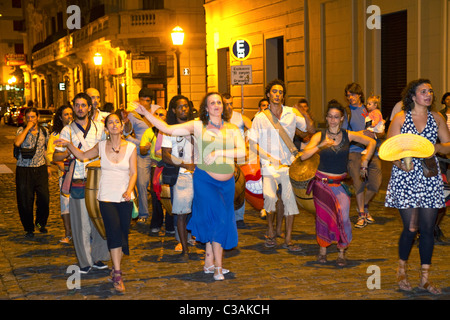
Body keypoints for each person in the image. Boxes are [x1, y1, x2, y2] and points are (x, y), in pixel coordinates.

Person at [135, 92, 246, 281]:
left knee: (217, 220)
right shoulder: (197, 126)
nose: (217, 105)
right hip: (206, 181)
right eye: (212, 103)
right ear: (206, 108)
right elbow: (167, 128)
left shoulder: (232, 128)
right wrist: (146, 113)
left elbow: (242, 152)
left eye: (219, 102)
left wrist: (219, 151)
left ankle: (208, 263)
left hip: (227, 184)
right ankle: (218, 268)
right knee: (219, 220)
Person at [55, 112, 137, 292]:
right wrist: (68, 144)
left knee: (123, 236)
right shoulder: (101, 146)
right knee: (114, 233)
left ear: (122, 126)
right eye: (110, 123)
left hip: (124, 198)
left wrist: (129, 190)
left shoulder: (130, 147)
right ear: (106, 128)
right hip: (106, 197)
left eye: (117, 122)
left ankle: (115, 269)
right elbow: (83, 156)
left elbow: (134, 172)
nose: (114, 125)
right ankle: (117, 273)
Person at [386, 79, 450, 295]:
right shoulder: (401, 118)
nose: (428, 94)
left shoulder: (437, 118)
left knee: (427, 229)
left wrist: (435, 147)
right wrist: (399, 163)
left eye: (430, 91)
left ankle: (424, 278)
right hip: (405, 178)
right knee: (411, 227)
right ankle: (401, 270)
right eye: (423, 91)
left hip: (429, 177)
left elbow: (448, 145)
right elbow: (389, 148)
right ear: (413, 96)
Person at [302, 100, 376, 266]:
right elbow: (303, 156)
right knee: (323, 218)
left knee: (343, 218)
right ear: (326, 118)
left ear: (342, 118)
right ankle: (322, 250)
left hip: (339, 184)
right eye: (330, 116)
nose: (333, 120)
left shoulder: (348, 135)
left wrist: (365, 160)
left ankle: (341, 251)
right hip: (321, 184)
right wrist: (320, 145)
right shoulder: (319, 136)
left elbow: (371, 142)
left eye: (336, 117)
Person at [248, 79, 314, 251]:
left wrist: (304, 113)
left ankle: (289, 238)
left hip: (288, 164)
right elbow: (252, 143)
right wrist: (268, 157)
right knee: (270, 198)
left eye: (280, 92)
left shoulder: (291, 113)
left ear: (283, 96)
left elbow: (309, 130)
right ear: (268, 94)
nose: (277, 95)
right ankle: (271, 230)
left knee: (289, 200)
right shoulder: (260, 118)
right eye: (274, 91)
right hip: (268, 165)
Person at [53, 92, 110, 274]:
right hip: (78, 180)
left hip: (98, 180)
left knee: (98, 220)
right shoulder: (66, 130)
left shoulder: (100, 128)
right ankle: (85, 261)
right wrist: (68, 152)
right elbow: (56, 156)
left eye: (83, 105)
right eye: (77, 105)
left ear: (89, 107)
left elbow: (108, 149)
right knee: (81, 224)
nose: (80, 108)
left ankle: (98, 257)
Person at [343, 83, 383, 228]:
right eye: (348, 95)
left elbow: (381, 130)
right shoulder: (346, 112)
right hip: (354, 151)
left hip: (373, 151)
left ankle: (364, 206)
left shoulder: (369, 109)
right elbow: (344, 134)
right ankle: (361, 213)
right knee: (359, 183)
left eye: (353, 94)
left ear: (359, 94)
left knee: (375, 184)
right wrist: (360, 135)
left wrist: (376, 133)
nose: (350, 97)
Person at [161, 95, 196, 256]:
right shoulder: (170, 130)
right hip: (181, 176)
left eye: (186, 106)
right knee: (181, 212)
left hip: (199, 175)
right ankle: (183, 244)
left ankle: (194, 237)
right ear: (174, 110)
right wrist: (184, 163)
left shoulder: (196, 127)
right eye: (180, 107)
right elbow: (165, 155)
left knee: (196, 210)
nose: (184, 109)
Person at [123, 88, 162, 223]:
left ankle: (161, 214)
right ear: (139, 100)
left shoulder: (156, 113)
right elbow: (126, 135)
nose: (145, 103)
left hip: (158, 153)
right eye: (143, 100)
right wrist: (140, 144)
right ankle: (144, 214)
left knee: (159, 184)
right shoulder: (133, 115)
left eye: (148, 100)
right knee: (142, 183)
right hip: (143, 154)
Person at [14, 107, 50, 238]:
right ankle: (29, 227)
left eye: (33, 117)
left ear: (38, 117)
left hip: (40, 168)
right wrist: (27, 128)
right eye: (28, 117)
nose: (31, 120)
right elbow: (17, 142)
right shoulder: (21, 130)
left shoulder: (44, 131)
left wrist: (48, 166)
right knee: (25, 200)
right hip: (24, 170)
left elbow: (45, 150)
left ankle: (40, 223)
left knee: (44, 199)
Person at [140, 107, 174, 234]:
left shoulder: (171, 131)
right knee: (156, 196)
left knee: (170, 196)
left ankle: (171, 225)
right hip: (156, 168)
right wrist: (145, 148)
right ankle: (157, 222)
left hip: (169, 166)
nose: (159, 116)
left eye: (162, 114)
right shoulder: (149, 132)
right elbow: (143, 150)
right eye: (157, 114)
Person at [223, 93, 252, 228]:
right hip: (224, 157)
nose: (229, 107)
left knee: (239, 186)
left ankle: (239, 218)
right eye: (226, 104)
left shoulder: (239, 117)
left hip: (239, 158)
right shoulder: (218, 118)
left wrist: (247, 140)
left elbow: (253, 129)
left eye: (231, 104)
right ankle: (226, 217)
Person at [46, 105, 74, 243]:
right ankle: (68, 232)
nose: (69, 116)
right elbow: (50, 154)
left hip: (79, 173)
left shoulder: (76, 132)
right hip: (64, 174)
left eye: (70, 114)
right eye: (66, 114)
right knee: (66, 203)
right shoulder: (55, 135)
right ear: (60, 117)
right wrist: (61, 164)